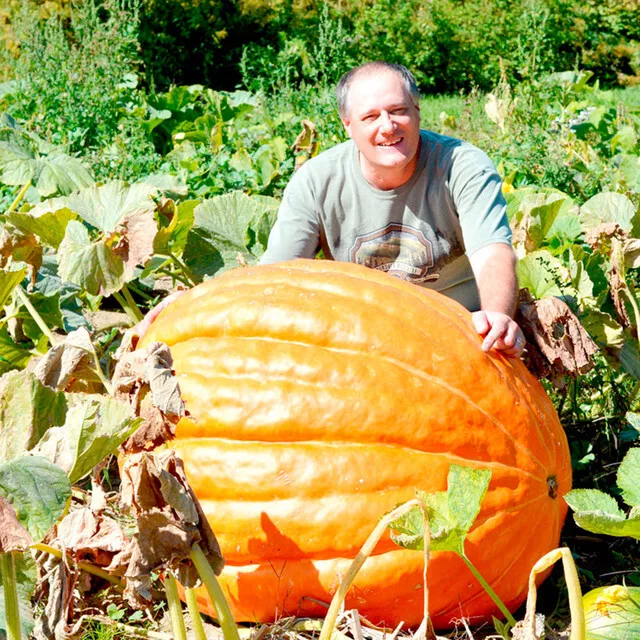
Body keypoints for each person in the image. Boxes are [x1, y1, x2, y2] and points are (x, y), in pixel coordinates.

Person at [260, 61, 525, 358]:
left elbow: (491, 252)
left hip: (459, 338)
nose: (387, 126)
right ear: (348, 125)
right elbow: (276, 279)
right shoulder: (315, 181)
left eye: (398, 110)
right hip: (361, 345)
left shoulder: (462, 166)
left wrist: (498, 318)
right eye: (370, 116)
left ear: (417, 111)